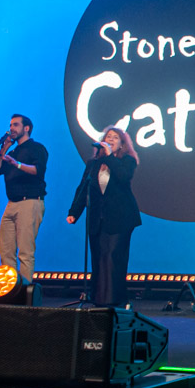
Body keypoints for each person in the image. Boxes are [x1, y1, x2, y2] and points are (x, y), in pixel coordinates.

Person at [67, 127, 142, 307]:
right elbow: (83, 187)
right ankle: (99, 298)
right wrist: (74, 212)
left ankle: (116, 299)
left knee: (113, 256)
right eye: (108, 137)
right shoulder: (93, 163)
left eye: (115, 137)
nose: (111, 140)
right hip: (98, 217)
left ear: (122, 144)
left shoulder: (127, 161)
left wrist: (109, 156)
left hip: (121, 217)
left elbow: (123, 177)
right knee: (99, 257)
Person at [0, 114, 48, 282]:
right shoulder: (12, 151)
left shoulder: (37, 148)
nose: (12, 128)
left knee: (25, 252)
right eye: (11, 125)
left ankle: (25, 290)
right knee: (6, 251)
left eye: (15, 125)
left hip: (30, 201)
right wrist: (4, 149)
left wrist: (16, 164)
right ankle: (10, 288)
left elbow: (38, 170)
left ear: (26, 128)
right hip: (12, 203)